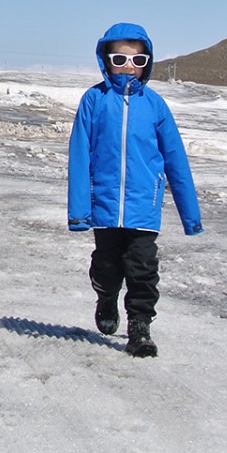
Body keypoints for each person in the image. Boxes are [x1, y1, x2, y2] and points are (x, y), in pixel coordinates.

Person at [68, 23, 203, 357]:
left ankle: (139, 327)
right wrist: (79, 212)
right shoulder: (93, 100)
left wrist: (191, 216)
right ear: (105, 59)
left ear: (148, 62)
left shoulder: (155, 105)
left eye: (138, 59)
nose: (129, 65)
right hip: (105, 206)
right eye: (120, 57)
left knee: (143, 268)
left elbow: (176, 159)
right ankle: (106, 298)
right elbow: (79, 155)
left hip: (145, 205)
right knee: (106, 265)